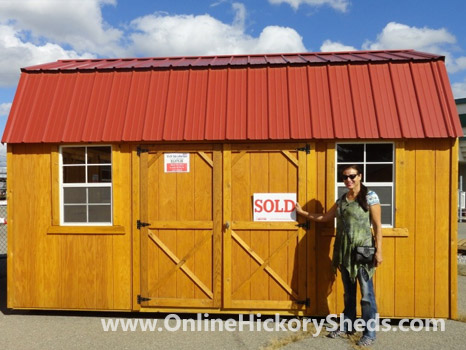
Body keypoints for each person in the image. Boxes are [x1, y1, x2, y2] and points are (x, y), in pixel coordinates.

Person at [295, 164, 382, 347]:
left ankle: (369, 333)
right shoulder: (342, 199)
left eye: (352, 176)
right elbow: (326, 218)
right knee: (348, 294)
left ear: (360, 176)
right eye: (344, 177)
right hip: (344, 252)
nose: (348, 180)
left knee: (366, 295)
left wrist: (379, 251)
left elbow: (377, 226)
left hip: (363, 252)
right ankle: (347, 326)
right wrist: (303, 213)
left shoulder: (370, 196)